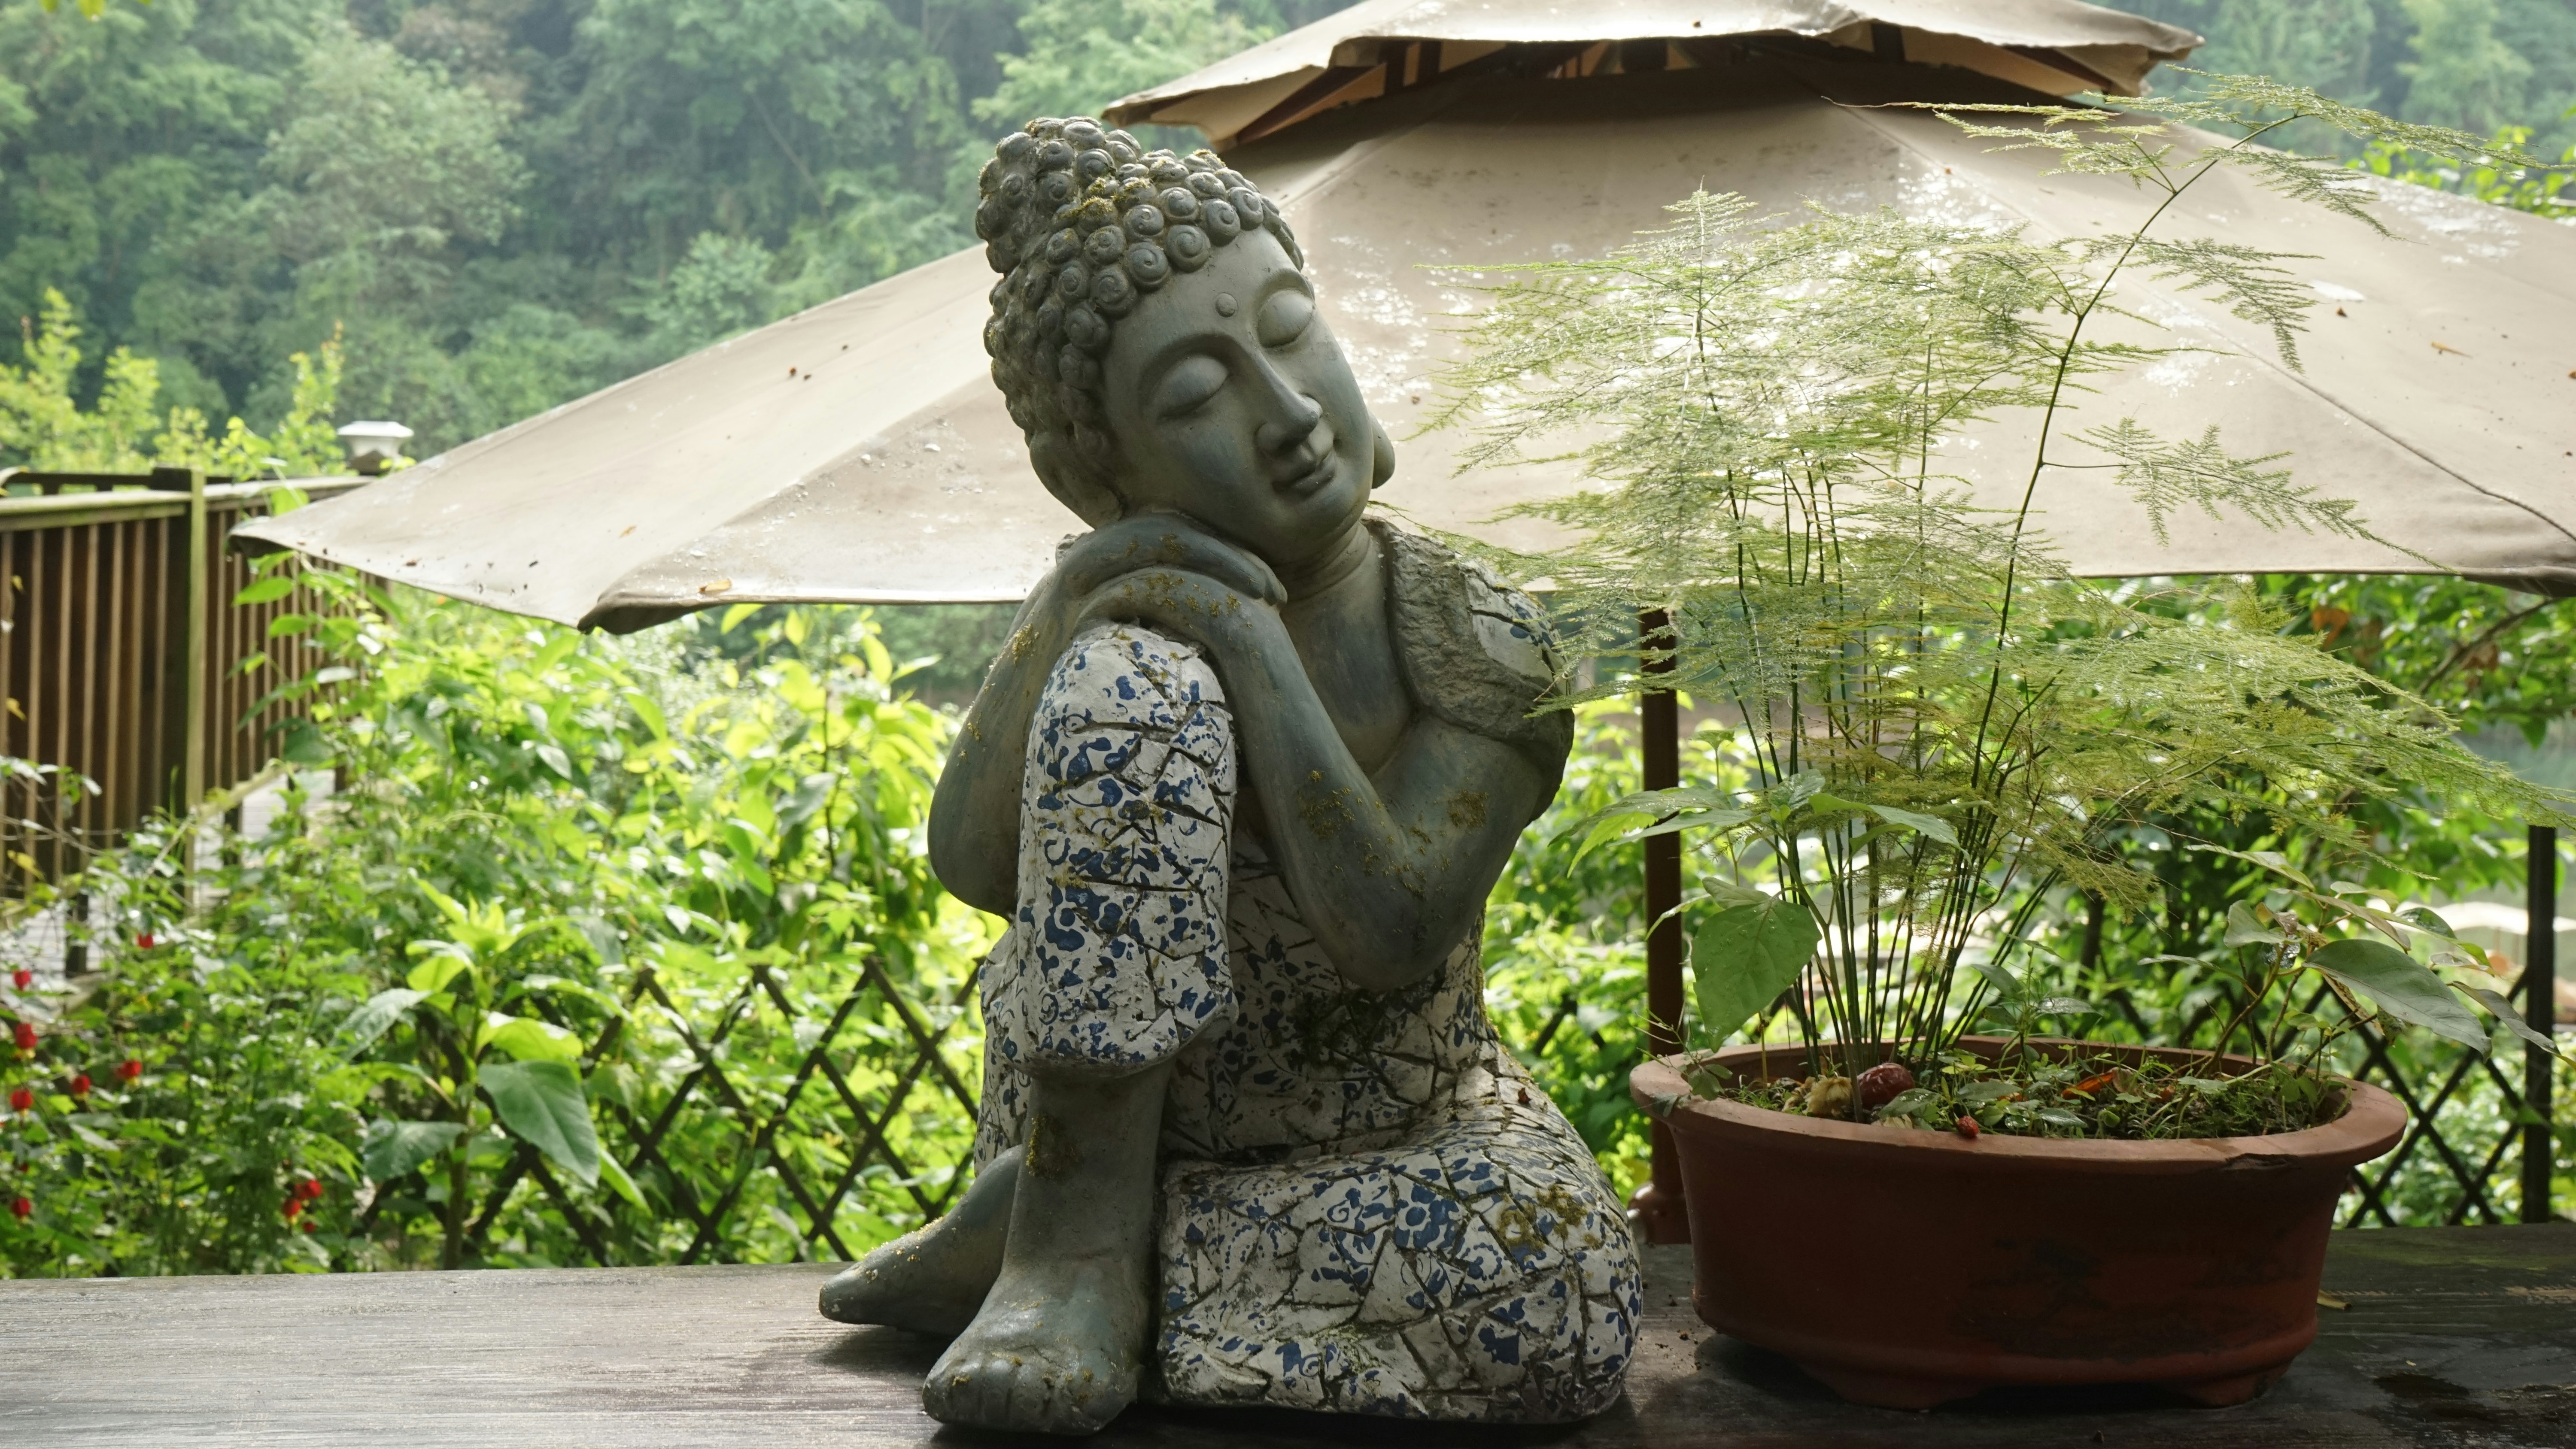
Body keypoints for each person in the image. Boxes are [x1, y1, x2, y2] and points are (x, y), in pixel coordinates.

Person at [818, 116, 1640, 1435]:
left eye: (1291, 327)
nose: (1291, 413)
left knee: (1560, 1289)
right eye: (1197, 397)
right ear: (1097, 473)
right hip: (1106, 1126)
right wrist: (1073, 594)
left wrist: (1255, 642)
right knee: (1132, 691)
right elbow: (971, 866)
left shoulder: (1471, 634)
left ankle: (1089, 1245)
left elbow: (1389, 929)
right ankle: (1068, 1249)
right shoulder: (1117, 632)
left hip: (1397, 1139)